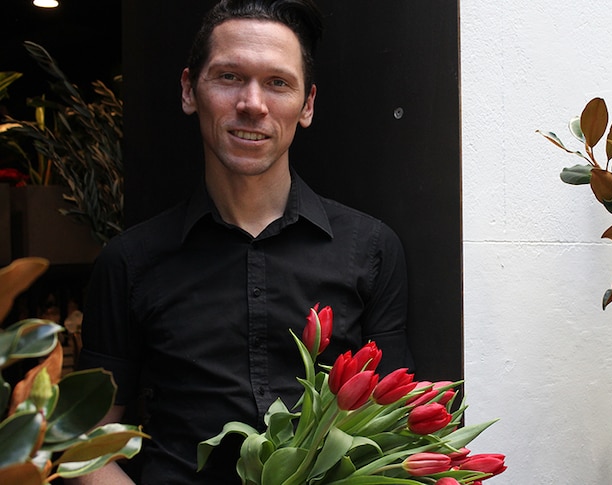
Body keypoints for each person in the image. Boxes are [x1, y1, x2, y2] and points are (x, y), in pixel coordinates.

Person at [74, 0, 413, 483]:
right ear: (190, 90)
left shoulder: (373, 249)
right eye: (229, 77)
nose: (252, 104)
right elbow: (89, 442)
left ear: (308, 105)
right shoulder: (128, 261)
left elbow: (398, 424)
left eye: (278, 83)